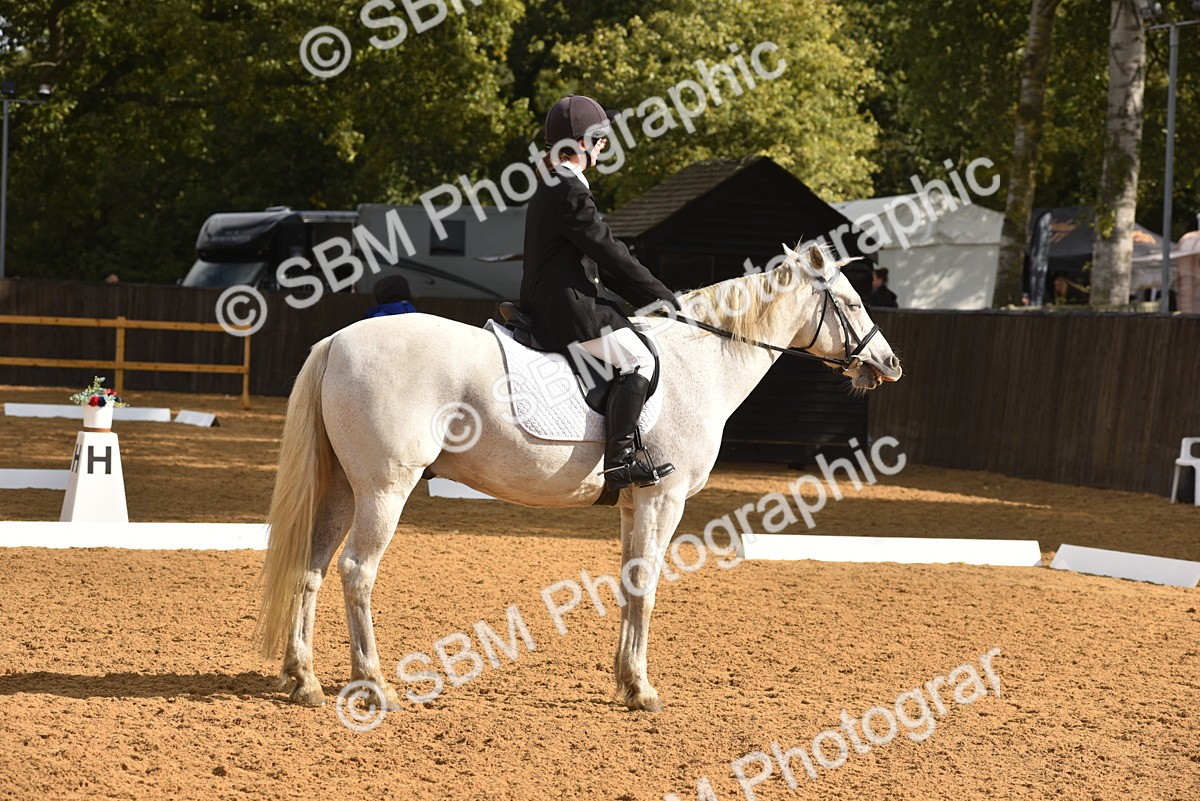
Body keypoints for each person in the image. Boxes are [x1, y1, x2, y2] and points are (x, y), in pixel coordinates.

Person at [520, 94, 679, 491]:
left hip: (556, 298)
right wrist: (665, 297)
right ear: (582, 143)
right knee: (639, 361)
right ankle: (619, 462)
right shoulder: (569, 190)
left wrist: (653, 299)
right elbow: (610, 252)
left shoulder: (553, 182)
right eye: (601, 138)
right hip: (566, 307)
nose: (605, 145)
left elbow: (603, 262)